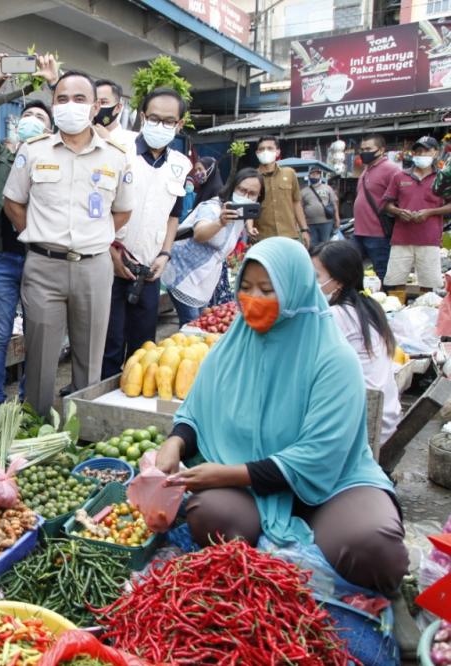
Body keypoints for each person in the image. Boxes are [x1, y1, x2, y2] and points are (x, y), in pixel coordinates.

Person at [156, 238, 408, 595]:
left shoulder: (333, 358)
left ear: (296, 290)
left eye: (266, 289)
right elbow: (196, 410)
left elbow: (321, 455)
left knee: (373, 549)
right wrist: (175, 442)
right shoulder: (232, 347)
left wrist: (227, 474)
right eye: (245, 287)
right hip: (251, 483)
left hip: (333, 485)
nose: (252, 299)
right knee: (211, 515)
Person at [3, 70, 133, 416]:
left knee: (89, 358)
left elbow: (121, 212)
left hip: (94, 266)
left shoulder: (115, 156)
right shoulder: (32, 151)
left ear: (95, 108)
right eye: (62, 99)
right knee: (41, 356)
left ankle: (80, 434)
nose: (70, 106)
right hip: (43, 267)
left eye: (79, 99)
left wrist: (95, 238)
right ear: (53, 104)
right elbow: (13, 203)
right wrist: (42, 234)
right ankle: (35, 430)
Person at [0, 52, 58, 424]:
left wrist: (55, 85)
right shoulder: (2, 157)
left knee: (39, 336)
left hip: (42, 258)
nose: (31, 121)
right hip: (4, 258)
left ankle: (28, 405)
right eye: (27, 116)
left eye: (40, 118)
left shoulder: (57, 158)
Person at [103, 87, 191, 377]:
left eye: (169, 121)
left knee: (143, 352)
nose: (161, 125)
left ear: (179, 124)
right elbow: (98, 206)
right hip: (111, 263)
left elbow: (173, 215)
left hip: (149, 269)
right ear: (142, 117)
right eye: (154, 118)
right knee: (109, 346)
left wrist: (165, 254)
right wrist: (109, 251)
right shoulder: (118, 150)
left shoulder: (181, 165)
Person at [311, 240, 401, 443]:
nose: (310, 282)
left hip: (365, 425)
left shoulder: (336, 315)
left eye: (316, 277)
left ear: (339, 281)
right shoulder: (367, 306)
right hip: (385, 417)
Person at [163, 168, 264, 326]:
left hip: (205, 279)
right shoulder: (213, 207)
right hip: (184, 274)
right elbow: (199, 233)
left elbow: (243, 223)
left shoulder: (239, 213)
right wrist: (220, 222)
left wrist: (250, 228)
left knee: (201, 326)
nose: (246, 196)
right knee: (192, 326)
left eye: (252, 193)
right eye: (242, 190)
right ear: (233, 187)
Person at [382, 136, 451, 296]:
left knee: (428, 285)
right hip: (401, 239)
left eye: (426, 150)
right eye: (418, 150)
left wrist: (430, 212)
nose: (421, 154)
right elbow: (386, 204)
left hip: (429, 240)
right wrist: (399, 211)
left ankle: (424, 312)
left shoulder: (443, 178)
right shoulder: (399, 177)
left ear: (436, 152)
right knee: (395, 282)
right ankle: (395, 310)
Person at [354, 133, 400, 284]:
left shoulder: (391, 169)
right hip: (359, 232)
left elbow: (400, 198)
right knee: (351, 270)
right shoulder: (366, 170)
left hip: (378, 233)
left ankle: (385, 304)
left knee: (382, 273)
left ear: (381, 150)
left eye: (368, 148)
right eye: (362, 148)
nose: (364, 152)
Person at [249, 137, 310, 248]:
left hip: (289, 235)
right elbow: (249, 206)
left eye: (269, 148)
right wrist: (249, 228)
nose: (265, 152)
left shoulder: (289, 173)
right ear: (257, 153)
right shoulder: (252, 177)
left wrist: (304, 229)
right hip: (263, 237)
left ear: (277, 152)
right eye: (261, 149)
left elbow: (296, 203)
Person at [300, 166, 340, 247]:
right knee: (312, 246)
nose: (314, 176)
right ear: (309, 176)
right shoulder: (303, 191)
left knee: (325, 245)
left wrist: (337, 219)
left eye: (317, 174)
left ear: (320, 176)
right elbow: (300, 208)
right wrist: (302, 225)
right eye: (312, 174)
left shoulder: (328, 188)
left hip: (326, 222)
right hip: (310, 223)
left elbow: (334, 204)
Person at [93, 79, 137, 148]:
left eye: (103, 102)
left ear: (118, 108)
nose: (97, 106)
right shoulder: (82, 135)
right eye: (94, 102)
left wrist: (109, 141)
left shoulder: (133, 140)